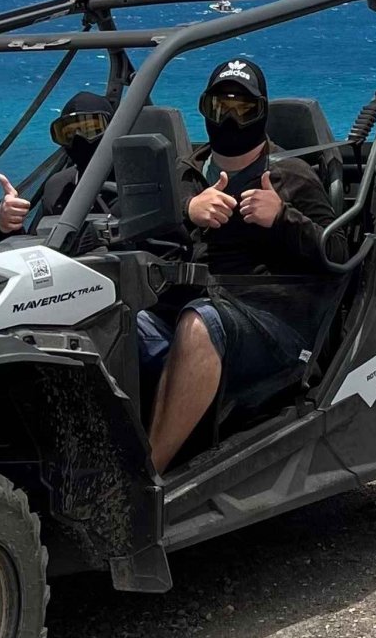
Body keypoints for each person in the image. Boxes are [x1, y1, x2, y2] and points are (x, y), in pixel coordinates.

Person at [141, 58, 347, 474]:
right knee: (114, 321)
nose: (231, 118)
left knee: (199, 324)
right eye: (221, 108)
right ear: (205, 110)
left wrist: (282, 217)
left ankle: (146, 480)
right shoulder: (186, 173)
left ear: (262, 113)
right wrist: (186, 210)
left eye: (243, 108)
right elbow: (137, 235)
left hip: (271, 322)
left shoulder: (291, 175)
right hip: (184, 305)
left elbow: (341, 254)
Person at [0, 91, 117, 242]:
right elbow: (34, 251)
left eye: (90, 129)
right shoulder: (58, 189)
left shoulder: (143, 179)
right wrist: (9, 226)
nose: (79, 139)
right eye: (68, 134)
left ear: (113, 128)